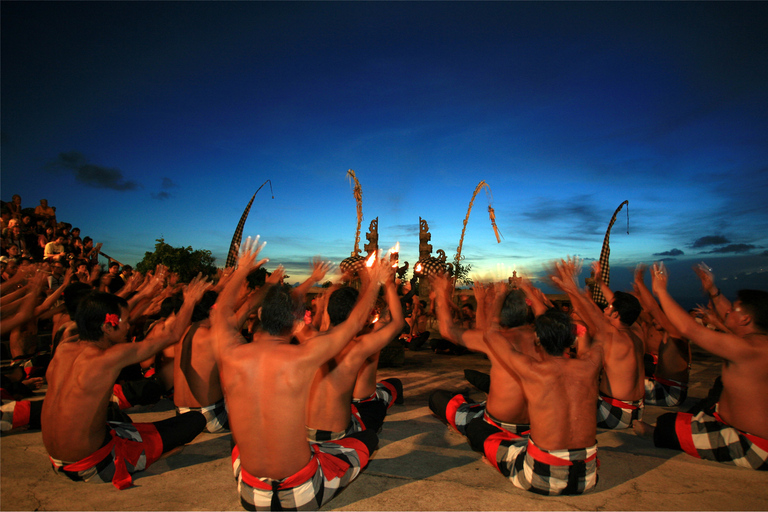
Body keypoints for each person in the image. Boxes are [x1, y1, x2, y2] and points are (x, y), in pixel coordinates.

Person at [211, 237, 384, 511]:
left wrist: (241, 270)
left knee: (237, 441)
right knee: (367, 439)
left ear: (258, 316)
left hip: (251, 496)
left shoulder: (230, 354)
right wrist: (373, 281)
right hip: (302, 494)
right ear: (295, 323)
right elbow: (353, 324)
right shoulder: (304, 357)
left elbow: (219, 314)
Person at [41, 274, 211, 490]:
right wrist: (190, 300)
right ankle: (146, 456)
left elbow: (100, 317)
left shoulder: (65, 347)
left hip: (57, 459)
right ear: (107, 326)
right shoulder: (109, 357)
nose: (129, 326)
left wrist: (144, 293)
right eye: (125, 322)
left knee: (119, 418)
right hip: (93, 464)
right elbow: (174, 334)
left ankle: (145, 447)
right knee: (194, 421)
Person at [634, 263, 768, 471]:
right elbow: (724, 314)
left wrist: (660, 290)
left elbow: (689, 328)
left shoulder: (748, 348)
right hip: (731, 425)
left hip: (753, 446)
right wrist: (713, 291)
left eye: (734, 309)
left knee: (668, 426)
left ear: (746, 319)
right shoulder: (754, 341)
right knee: (682, 419)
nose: (728, 311)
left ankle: (664, 436)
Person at [468, 306, 604, 495]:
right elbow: (602, 329)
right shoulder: (590, 366)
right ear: (570, 340)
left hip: (540, 477)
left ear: (538, 339)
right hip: (587, 478)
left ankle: (499, 462)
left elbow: (490, 334)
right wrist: (579, 324)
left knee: (477, 428)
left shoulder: (532, 369)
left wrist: (496, 297)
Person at [305, 263, 405, 442]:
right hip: (338, 434)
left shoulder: (314, 338)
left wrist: (338, 280)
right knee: (375, 420)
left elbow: (329, 310)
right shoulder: (358, 346)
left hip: (305, 431)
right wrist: (389, 283)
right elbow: (397, 323)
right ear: (359, 315)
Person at [429, 275, 533, 441]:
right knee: (473, 376)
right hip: (533, 424)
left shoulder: (496, 339)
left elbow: (447, 331)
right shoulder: (541, 336)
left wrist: (441, 293)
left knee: (437, 398)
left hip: (498, 424)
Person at [553, 259, 645, 429]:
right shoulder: (636, 330)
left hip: (615, 413)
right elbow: (621, 305)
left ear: (616, 314)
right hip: (636, 410)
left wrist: (572, 286)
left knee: (556, 396)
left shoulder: (614, 335)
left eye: (609, 307)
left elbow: (589, 309)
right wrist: (600, 282)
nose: (605, 308)